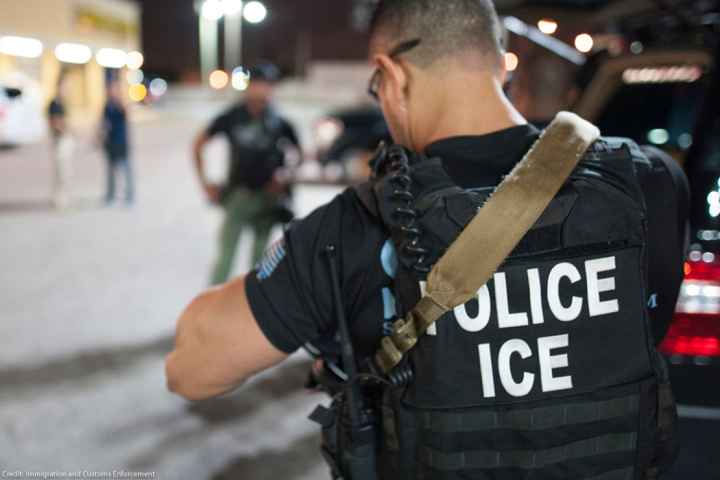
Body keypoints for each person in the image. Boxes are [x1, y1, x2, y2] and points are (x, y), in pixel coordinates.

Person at [166, 2, 689, 479]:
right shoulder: (648, 180)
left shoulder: (355, 226)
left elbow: (192, 370)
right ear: (498, 58)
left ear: (392, 76)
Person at [192, 63, 300, 285]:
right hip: (238, 197)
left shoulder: (279, 121)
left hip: (268, 200)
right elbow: (198, 144)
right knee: (225, 259)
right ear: (249, 86)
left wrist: (285, 177)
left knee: (260, 264)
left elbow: (298, 155)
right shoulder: (233, 116)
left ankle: (251, 314)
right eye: (258, 84)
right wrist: (205, 183)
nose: (262, 90)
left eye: (267, 85)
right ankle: (212, 311)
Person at [102, 80, 134, 205]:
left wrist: (121, 102)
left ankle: (130, 195)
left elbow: (127, 114)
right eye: (110, 90)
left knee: (127, 170)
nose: (111, 92)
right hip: (110, 143)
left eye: (114, 90)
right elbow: (105, 124)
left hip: (121, 143)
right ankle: (110, 195)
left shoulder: (120, 105)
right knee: (110, 171)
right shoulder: (107, 106)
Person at [48, 75, 74, 209]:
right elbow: (54, 123)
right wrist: (65, 128)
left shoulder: (63, 103)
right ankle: (59, 201)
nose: (68, 89)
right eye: (66, 86)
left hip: (65, 140)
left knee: (66, 172)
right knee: (61, 172)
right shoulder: (55, 103)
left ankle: (63, 198)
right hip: (60, 141)